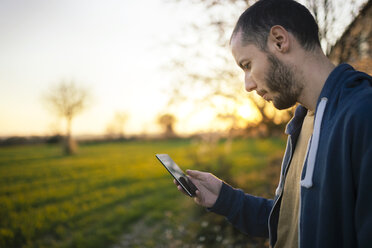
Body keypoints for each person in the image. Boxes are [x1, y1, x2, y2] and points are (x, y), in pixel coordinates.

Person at [174, 0, 372, 247]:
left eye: (247, 65)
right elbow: (295, 220)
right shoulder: (302, 123)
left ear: (279, 40)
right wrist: (225, 199)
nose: (248, 85)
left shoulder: (363, 115)